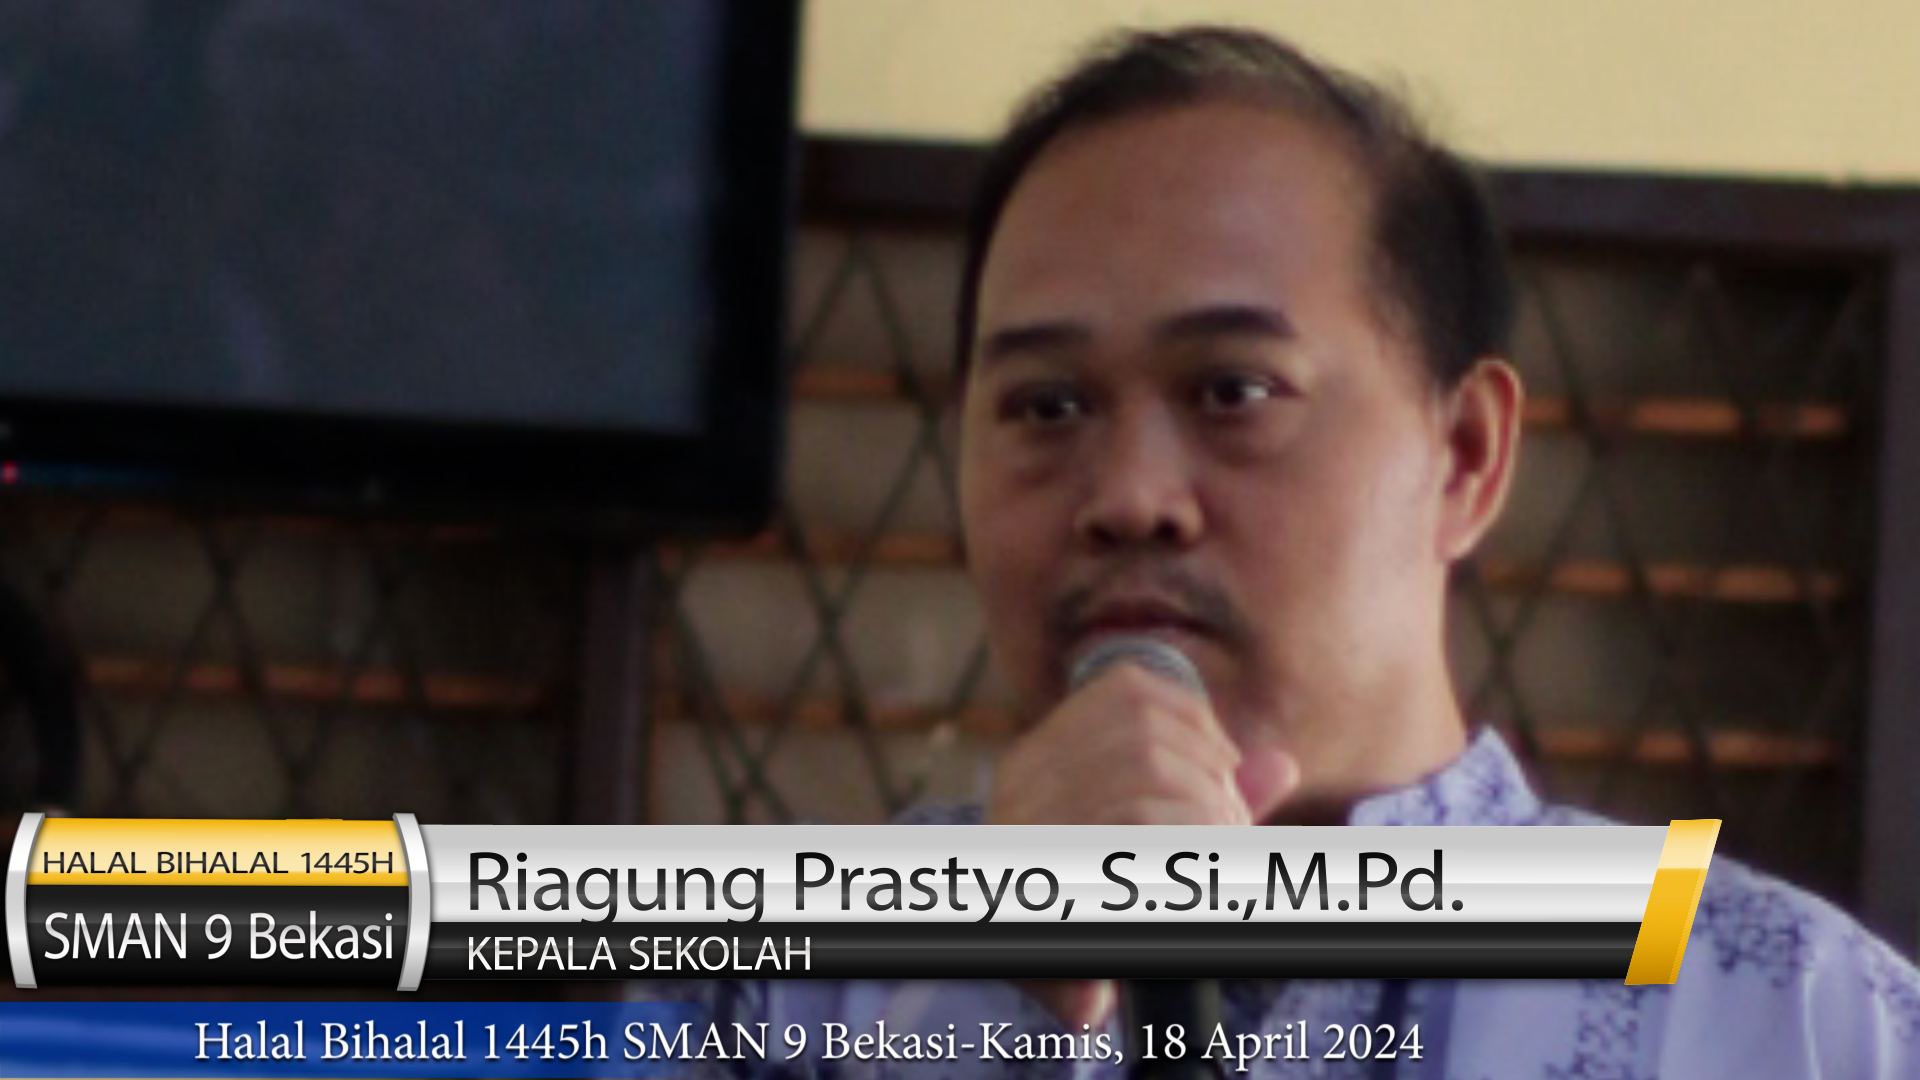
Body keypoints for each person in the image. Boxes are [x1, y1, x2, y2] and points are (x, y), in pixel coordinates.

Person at [672, 26, 1920, 1078]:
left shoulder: (1803, 1022)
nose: (1130, 498)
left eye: (1234, 391)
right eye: (1046, 407)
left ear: (1465, 456)